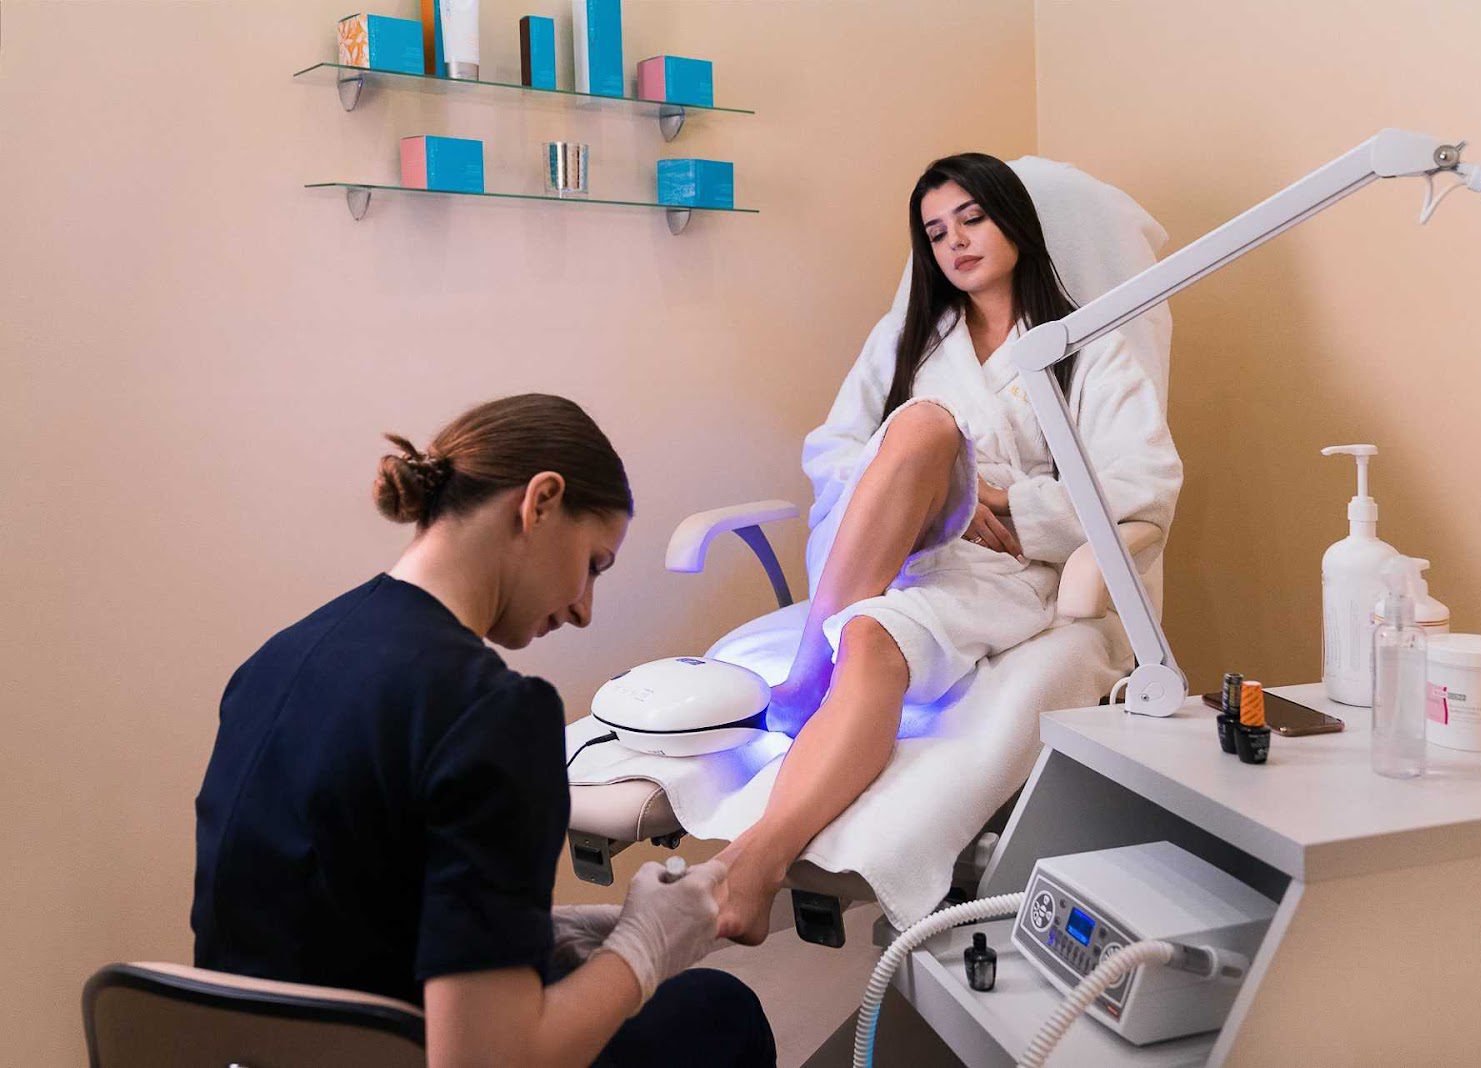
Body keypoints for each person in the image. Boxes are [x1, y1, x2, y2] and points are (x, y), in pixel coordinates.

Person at [192, 393, 775, 1066]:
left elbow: (329, 918)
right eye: (594, 564)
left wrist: (526, 936)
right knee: (717, 1011)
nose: (585, 610)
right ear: (541, 502)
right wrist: (645, 951)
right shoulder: (493, 713)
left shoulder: (275, 662)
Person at [716, 153, 1183, 944]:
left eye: (971, 219)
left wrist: (1002, 502)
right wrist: (942, 498)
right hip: (895, 548)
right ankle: (804, 688)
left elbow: (1142, 487)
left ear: (1016, 223)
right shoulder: (911, 339)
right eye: (935, 233)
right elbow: (833, 449)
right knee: (923, 430)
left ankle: (753, 859)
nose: (955, 243)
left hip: (1005, 568)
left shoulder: (1087, 345)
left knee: (872, 632)